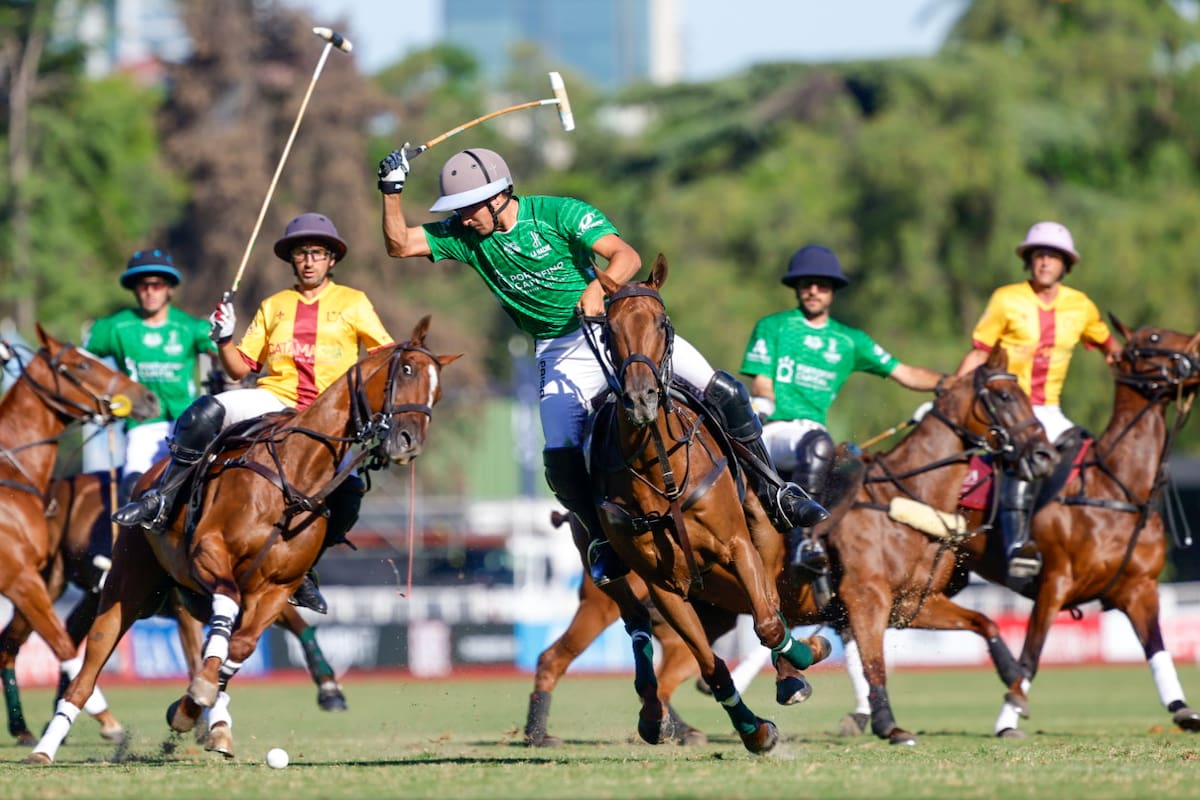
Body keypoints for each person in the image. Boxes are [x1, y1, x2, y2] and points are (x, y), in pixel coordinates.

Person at [375, 145, 826, 589]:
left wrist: (594, 290)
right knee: (561, 448)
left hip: (617, 328)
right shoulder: (465, 236)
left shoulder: (559, 214)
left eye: (469, 208)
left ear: (498, 197)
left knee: (722, 389)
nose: (464, 217)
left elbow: (626, 256)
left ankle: (774, 492)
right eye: (459, 210)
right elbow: (399, 244)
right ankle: (600, 539)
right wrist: (391, 191)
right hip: (558, 348)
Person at [113, 213, 395, 613]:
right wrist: (224, 338)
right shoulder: (275, 306)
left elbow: (384, 359)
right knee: (202, 413)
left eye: (317, 253)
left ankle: (303, 569)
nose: (309, 261)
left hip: (327, 418)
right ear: (292, 260)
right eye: (301, 254)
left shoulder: (354, 303)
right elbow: (238, 368)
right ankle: (162, 499)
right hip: (274, 401)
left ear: (332, 259)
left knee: (349, 496)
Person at [740, 245, 945, 578]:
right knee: (821, 443)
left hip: (811, 437)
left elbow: (905, 373)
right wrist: (763, 409)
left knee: (851, 460)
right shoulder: (774, 326)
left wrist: (952, 384)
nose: (814, 291)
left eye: (822, 285)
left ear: (833, 290)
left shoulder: (849, 340)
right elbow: (762, 384)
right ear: (796, 287)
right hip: (774, 430)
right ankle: (803, 542)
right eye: (807, 283)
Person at [955, 220, 1120, 585]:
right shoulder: (1006, 298)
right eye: (1038, 255)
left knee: (1089, 456)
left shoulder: (1081, 306)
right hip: (1008, 412)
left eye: (1053, 257)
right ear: (1029, 261)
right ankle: (1016, 545)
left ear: (1066, 264)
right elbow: (980, 352)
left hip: (1051, 411)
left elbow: (1109, 345)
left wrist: (1122, 365)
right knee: (1023, 456)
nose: (1045, 262)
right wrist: (951, 389)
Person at [84, 249, 217, 588]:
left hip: (188, 423)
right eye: (143, 285)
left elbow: (228, 355)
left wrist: (222, 331)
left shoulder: (189, 327)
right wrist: (103, 399)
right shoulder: (114, 327)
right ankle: (127, 556)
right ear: (135, 289)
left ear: (169, 288)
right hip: (144, 422)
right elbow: (82, 362)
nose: (150, 291)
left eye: (157, 284)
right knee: (134, 483)